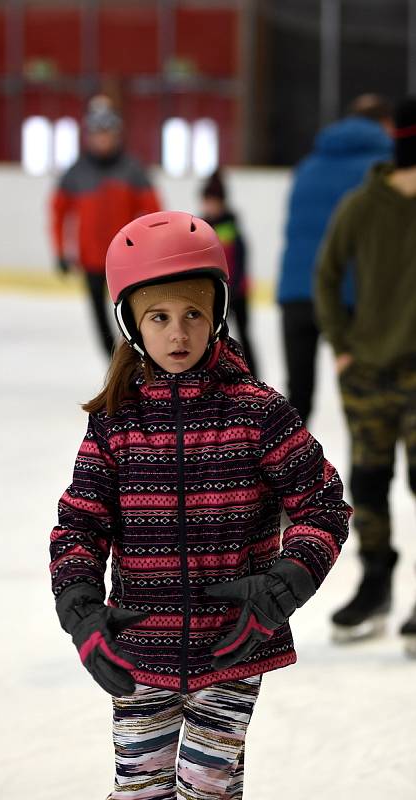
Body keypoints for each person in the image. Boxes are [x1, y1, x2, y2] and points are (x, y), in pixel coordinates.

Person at [49, 210, 351, 798]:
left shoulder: (258, 412)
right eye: (159, 317)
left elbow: (325, 507)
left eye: (193, 313)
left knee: (207, 786)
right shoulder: (116, 422)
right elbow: (80, 525)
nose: (178, 334)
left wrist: (280, 588)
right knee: (141, 788)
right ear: (133, 324)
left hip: (236, 640)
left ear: (218, 313)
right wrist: (80, 610)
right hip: (139, 644)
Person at [315, 97, 416, 656]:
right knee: (370, 483)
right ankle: (376, 582)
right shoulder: (362, 206)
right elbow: (327, 274)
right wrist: (342, 347)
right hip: (369, 373)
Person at [277, 93, 393, 423]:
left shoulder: (307, 165)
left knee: (299, 395)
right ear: (385, 125)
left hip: (296, 292)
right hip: (351, 296)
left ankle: (283, 470)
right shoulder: (383, 168)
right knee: (365, 395)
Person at [49, 95, 160, 356]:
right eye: (97, 133)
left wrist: (152, 251)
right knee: (100, 318)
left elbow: (154, 213)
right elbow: (57, 213)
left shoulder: (133, 170)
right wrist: (61, 251)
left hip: (127, 259)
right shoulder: (75, 172)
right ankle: (114, 368)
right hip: (92, 260)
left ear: (117, 134)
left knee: (134, 315)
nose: (102, 139)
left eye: (107, 132)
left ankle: (140, 360)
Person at [200, 169, 258, 375]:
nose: (210, 206)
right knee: (213, 337)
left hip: (237, 292)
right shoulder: (200, 227)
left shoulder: (232, 225)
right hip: (215, 294)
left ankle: (253, 374)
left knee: (244, 335)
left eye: (214, 201)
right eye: (207, 201)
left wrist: (236, 286)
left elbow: (242, 257)